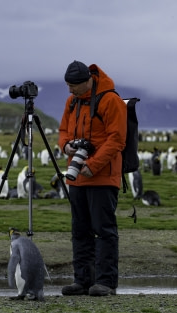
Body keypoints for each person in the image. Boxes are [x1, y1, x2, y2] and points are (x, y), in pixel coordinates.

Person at [58, 60, 127, 296]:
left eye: (73, 86)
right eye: (68, 86)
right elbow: (63, 131)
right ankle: (83, 280)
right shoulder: (72, 102)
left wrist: (94, 165)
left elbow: (117, 139)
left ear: (88, 81)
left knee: (103, 230)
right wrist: (65, 146)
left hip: (102, 176)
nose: (70, 90)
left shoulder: (110, 100)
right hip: (76, 176)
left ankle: (106, 282)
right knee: (80, 230)